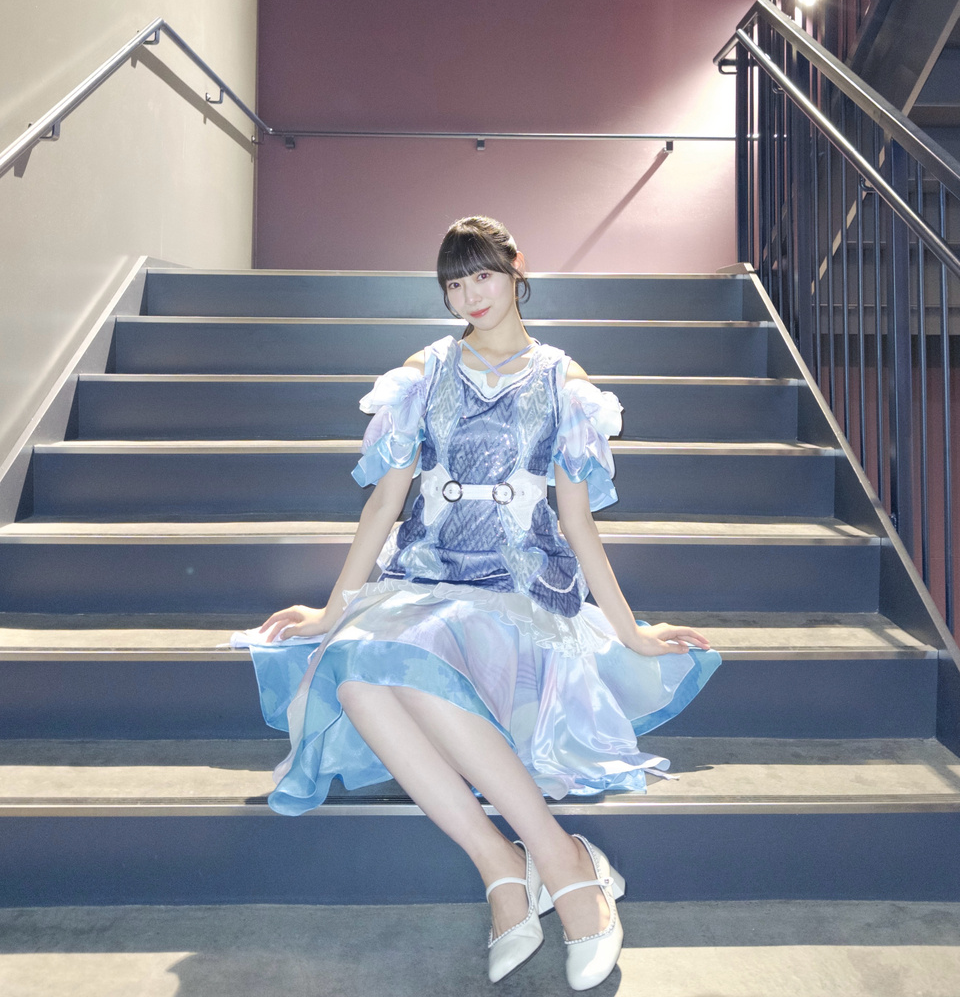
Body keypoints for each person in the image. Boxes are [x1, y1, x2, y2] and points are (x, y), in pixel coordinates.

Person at [236, 215, 721, 991]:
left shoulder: (564, 383)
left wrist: (631, 633)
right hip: (425, 576)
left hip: (520, 585)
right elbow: (384, 503)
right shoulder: (424, 372)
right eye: (455, 283)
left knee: (385, 667)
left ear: (516, 269)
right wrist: (330, 613)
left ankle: (560, 864)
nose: (470, 295)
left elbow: (577, 522)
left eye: (483, 275)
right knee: (356, 668)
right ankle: (505, 865)